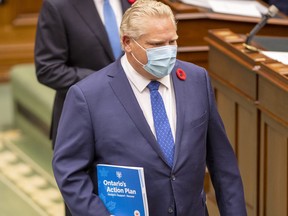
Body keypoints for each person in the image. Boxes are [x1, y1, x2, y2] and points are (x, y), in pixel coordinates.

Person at [52, 0, 248, 215]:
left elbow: (222, 164)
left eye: (172, 41)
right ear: (127, 42)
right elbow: (70, 173)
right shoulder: (88, 95)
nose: (168, 51)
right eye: (156, 44)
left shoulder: (196, 79)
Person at [34, 0, 132, 215]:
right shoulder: (58, 5)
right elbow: (48, 69)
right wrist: (105, 81)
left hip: (132, 123)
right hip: (82, 125)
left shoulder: (134, 3)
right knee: (83, 201)